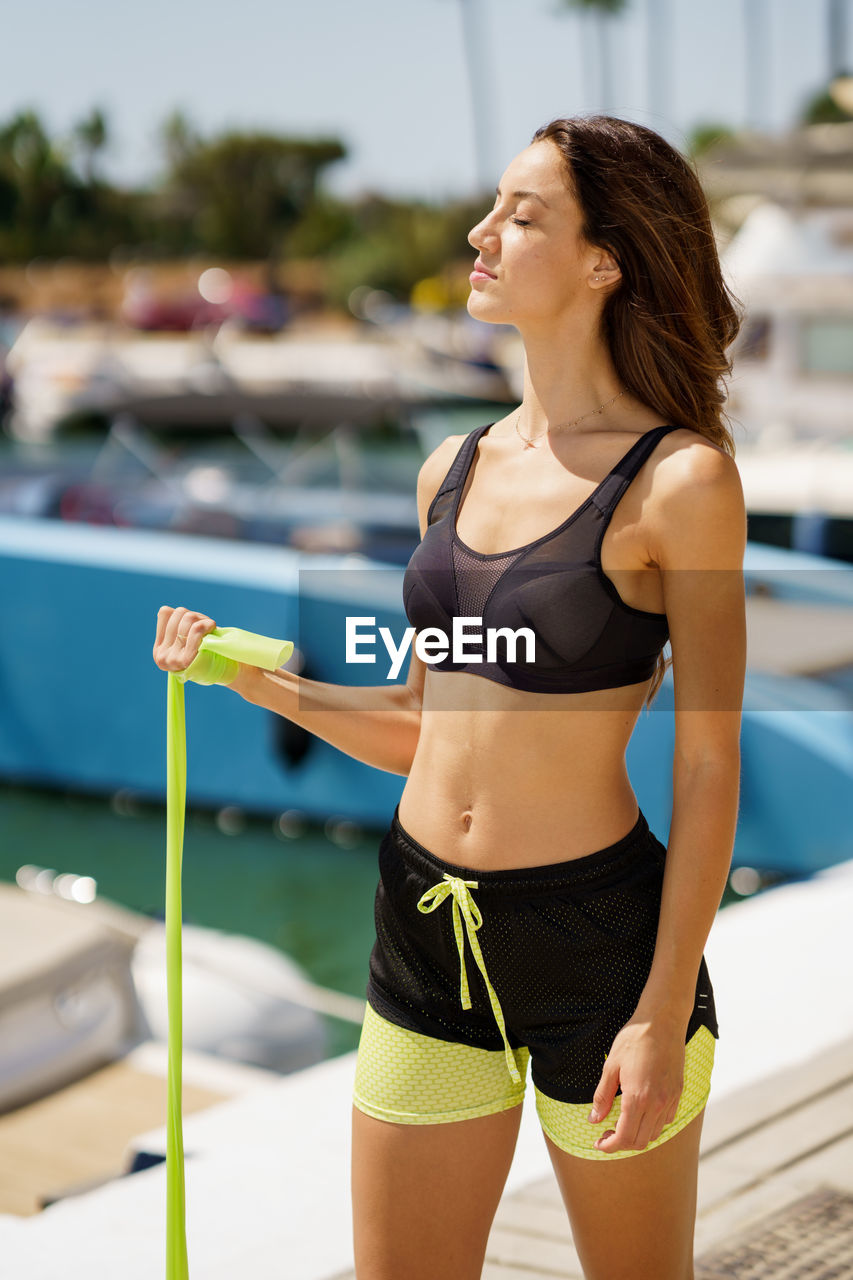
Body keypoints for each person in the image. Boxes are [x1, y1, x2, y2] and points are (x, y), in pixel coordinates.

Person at [153, 113, 747, 1280]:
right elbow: (421, 729)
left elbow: (706, 766)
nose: (479, 232)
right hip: (422, 931)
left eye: (521, 216)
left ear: (603, 259)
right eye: (492, 206)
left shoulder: (680, 482)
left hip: (602, 951)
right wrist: (255, 676)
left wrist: (659, 1009)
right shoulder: (453, 467)